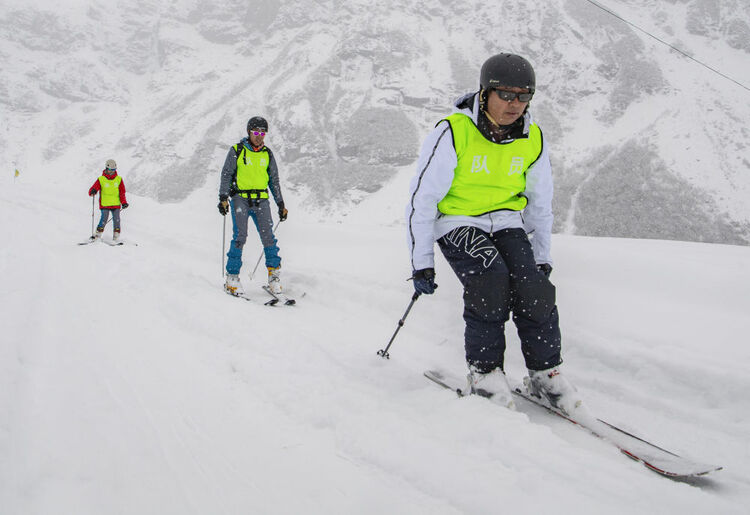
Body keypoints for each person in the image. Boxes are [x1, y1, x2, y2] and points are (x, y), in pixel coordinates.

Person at [405, 53, 582, 415]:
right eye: (506, 94)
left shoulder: (531, 138)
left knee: (534, 286)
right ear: (485, 93)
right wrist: (421, 262)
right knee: (490, 278)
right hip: (457, 221)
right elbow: (422, 200)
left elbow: (539, 203)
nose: (515, 104)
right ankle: (484, 373)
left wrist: (542, 257)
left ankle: (545, 373)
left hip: (505, 221)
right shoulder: (454, 131)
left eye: (523, 95)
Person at [218, 116, 288, 296]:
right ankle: (232, 277)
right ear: (249, 132)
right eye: (256, 132)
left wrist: (280, 204)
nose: (259, 136)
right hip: (240, 198)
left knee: (269, 239)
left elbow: (274, 181)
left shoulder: (267, 154)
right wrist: (223, 197)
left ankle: (274, 276)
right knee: (240, 236)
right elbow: (227, 174)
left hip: (262, 200)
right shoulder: (237, 150)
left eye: (263, 132)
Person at [88, 159, 128, 240]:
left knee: (117, 220)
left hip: (116, 204)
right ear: (106, 168)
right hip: (105, 204)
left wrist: (124, 202)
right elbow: (93, 189)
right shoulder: (101, 179)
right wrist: (93, 191)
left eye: (113, 170)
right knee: (104, 219)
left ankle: (116, 238)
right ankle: (97, 236)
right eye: (110, 170)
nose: (112, 172)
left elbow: (122, 193)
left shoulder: (119, 179)